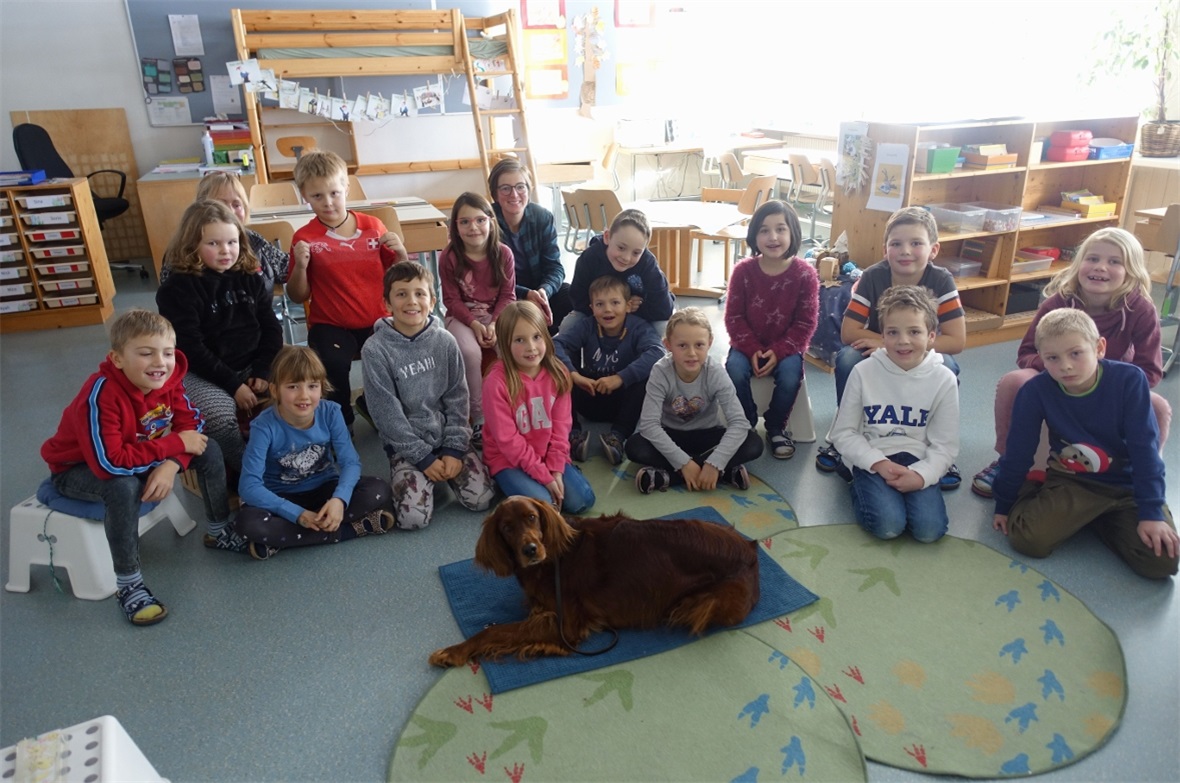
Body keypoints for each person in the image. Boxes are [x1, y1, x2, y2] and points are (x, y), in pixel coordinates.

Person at [41, 309, 247, 625]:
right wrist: (173, 446)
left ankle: (218, 531)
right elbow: (110, 463)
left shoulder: (169, 380)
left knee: (209, 449)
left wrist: (171, 465)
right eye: (146, 353)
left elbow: (192, 429)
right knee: (123, 486)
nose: (160, 362)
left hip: (135, 454)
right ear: (117, 358)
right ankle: (129, 585)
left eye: (167, 353)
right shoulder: (100, 395)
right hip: (77, 469)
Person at [973, 227, 1171, 497]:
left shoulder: (1140, 309)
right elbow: (1027, 353)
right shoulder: (1058, 303)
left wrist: (1101, 381)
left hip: (1111, 389)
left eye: (1114, 261)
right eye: (1093, 258)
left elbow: (1150, 372)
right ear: (1079, 264)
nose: (1100, 267)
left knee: (1158, 406)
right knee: (1014, 381)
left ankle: (1138, 477)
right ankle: (1006, 460)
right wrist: (1059, 368)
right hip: (1057, 382)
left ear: (1131, 271)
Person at [991, 309, 1178, 579]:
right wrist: (1005, 503)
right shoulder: (1035, 392)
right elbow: (1018, 452)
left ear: (1099, 348)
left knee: (1161, 562)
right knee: (1028, 540)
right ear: (1040, 357)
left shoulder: (1130, 380)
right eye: (1052, 358)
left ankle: (1094, 519)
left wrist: (1151, 513)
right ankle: (1048, 498)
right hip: (1073, 482)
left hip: (1126, 487)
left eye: (1076, 353)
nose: (1065, 366)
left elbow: (1146, 452)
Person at [816, 206, 966, 489]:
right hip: (881, 351)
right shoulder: (873, 277)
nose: (905, 251)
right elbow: (849, 332)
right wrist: (885, 344)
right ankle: (846, 437)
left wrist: (890, 343)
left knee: (947, 366)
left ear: (933, 250)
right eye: (896, 244)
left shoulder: (941, 280)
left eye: (916, 243)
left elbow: (956, 341)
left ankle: (935, 449)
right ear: (886, 250)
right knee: (848, 359)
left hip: (918, 351)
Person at [361, 261, 495, 530]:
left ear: (432, 301)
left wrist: (454, 449)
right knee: (412, 521)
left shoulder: (445, 341)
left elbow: (458, 397)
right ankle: (425, 479)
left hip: (446, 435)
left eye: (420, 294)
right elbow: (387, 415)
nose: (412, 301)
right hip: (408, 444)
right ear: (387, 303)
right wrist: (423, 458)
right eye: (401, 294)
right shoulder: (375, 350)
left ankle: (440, 473)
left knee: (482, 500)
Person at [156, 200, 283, 475]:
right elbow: (190, 348)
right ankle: (247, 472)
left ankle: (288, 458)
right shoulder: (177, 289)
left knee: (306, 383)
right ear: (192, 246)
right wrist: (234, 385)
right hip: (203, 372)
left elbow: (271, 327)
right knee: (219, 419)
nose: (226, 250)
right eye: (213, 243)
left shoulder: (249, 276)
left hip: (253, 363)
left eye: (232, 242)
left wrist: (263, 369)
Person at [286, 150, 409, 430]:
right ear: (304, 195)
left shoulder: (373, 226)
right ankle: (342, 423)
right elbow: (297, 295)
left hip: (378, 319)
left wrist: (401, 253)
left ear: (346, 188)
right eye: (317, 196)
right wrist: (301, 266)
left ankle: (371, 404)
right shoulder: (304, 237)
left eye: (334, 193)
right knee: (332, 365)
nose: (328, 202)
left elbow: (399, 278)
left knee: (399, 358)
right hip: (331, 324)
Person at [235, 346, 395, 560]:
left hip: (324, 489)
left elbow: (350, 463)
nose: (304, 396)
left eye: (312, 386)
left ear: (321, 387)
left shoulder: (331, 412)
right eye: (293, 386)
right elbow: (248, 486)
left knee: (378, 489)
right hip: (281, 497)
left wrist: (339, 500)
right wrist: (297, 514)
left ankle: (284, 540)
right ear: (274, 390)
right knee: (247, 524)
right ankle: (352, 530)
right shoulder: (263, 426)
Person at [829, 286, 959, 543]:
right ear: (882, 336)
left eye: (914, 332)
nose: (903, 341)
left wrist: (921, 476)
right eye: (892, 332)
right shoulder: (863, 372)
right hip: (874, 456)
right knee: (888, 527)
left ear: (931, 336)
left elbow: (946, 445)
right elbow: (843, 433)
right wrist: (878, 463)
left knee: (929, 532)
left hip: (918, 459)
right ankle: (855, 480)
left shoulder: (944, 379)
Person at [626, 307, 764, 494]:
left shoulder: (715, 372)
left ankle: (669, 477)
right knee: (634, 447)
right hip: (671, 434)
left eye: (699, 345)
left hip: (708, 435)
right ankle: (724, 472)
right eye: (682, 346)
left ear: (710, 343)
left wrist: (714, 463)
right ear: (668, 345)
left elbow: (739, 423)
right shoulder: (660, 371)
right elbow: (649, 425)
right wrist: (684, 462)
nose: (691, 353)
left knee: (753, 443)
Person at [724, 200, 819, 460]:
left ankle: (776, 427)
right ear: (754, 235)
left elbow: (805, 324)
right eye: (764, 230)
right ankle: (746, 424)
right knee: (734, 371)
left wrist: (778, 352)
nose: (773, 237)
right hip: (745, 346)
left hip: (787, 348)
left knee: (790, 377)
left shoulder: (805, 274)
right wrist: (752, 349)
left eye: (780, 229)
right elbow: (734, 317)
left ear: (793, 232)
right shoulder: (743, 271)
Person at [482, 300, 596, 513]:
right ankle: (506, 482)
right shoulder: (495, 383)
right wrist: (544, 477)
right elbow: (509, 442)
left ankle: (542, 481)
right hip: (509, 460)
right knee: (545, 508)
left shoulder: (559, 373)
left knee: (583, 501)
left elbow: (561, 430)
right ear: (505, 344)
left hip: (546, 454)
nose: (531, 347)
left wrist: (556, 470)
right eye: (520, 340)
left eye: (536, 337)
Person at [554, 275, 665, 465]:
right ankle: (573, 434)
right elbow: (555, 344)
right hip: (589, 392)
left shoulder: (638, 327)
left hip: (622, 400)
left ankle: (617, 437)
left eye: (615, 302)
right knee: (559, 367)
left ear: (628, 306)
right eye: (600, 304)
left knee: (647, 375)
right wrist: (574, 375)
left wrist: (621, 378)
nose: (607, 309)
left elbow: (658, 352)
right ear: (592, 308)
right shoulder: (587, 325)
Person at [439, 192, 516, 447]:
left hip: (497, 315)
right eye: (465, 222)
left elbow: (508, 295)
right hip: (461, 318)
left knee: (511, 348)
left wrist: (493, 323)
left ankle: (512, 406)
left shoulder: (504, 253)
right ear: (455, 226)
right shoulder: (449, 256)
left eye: (480, 220)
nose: (473, 227)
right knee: (471, 353)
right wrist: (474, 324)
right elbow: (451, 300)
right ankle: (479, 416)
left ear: (491, 221)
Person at [488, 158, 571, 330]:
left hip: (539, 291)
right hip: (506, 295)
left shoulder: (543, 217)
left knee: (571, 295)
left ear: (529, 189)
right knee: (518, 315)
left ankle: (554, 342)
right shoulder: (486, 222)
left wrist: (544, 291)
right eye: (505, 188)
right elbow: (490, 279)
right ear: (495, 194)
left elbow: (555, 268)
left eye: (520, 186)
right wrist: (526, 294)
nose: (514, 194)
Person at [563, 208, 674, 335]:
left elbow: (664, 310)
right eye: (621, 248)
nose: (626, 258)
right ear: (607, 237)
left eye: (636, 253)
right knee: (569, 325)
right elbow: (578, 299)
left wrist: (630, 308)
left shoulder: (648, 264)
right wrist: (612, 306)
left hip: (640, 315)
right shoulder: (589, 258)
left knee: (664, 330)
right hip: (598, 314)